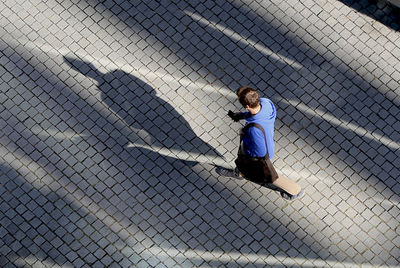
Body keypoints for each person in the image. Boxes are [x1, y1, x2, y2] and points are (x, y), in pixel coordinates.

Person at [218, 86, 304, 200]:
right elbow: (254, 114)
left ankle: (295, 191)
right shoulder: (266, 103)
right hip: (267, 141)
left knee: (270, 176)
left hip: (259, 154)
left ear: (247, 106)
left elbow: (260, 150)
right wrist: (242, 116)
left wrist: (245, 136)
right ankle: (239, 173)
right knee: (243, 165)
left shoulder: (254, 130)